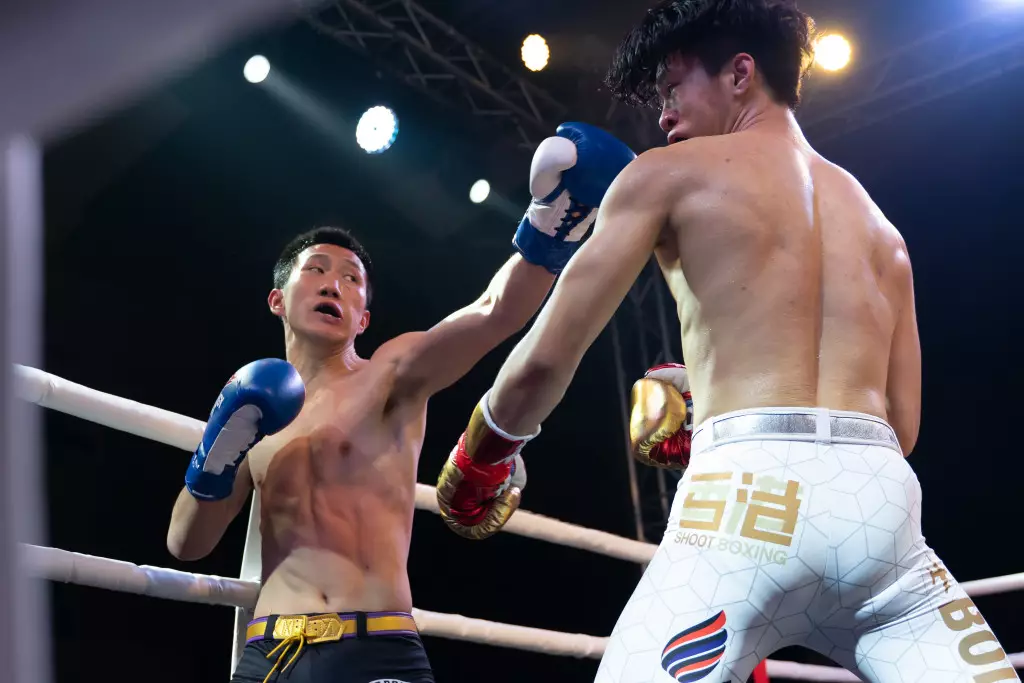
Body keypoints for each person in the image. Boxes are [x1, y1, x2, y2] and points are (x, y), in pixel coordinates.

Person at [434, 1, 1020, 682]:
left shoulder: (666, 174)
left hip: (743, 503)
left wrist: (481, 456)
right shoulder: (884, 231)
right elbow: (903, 425)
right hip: (882, 515)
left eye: (672, 88)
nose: (663, 115)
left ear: (741, 73)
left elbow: (545, 359)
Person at [165, 121, 636, 683]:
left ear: (363, 318)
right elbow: (187, 544)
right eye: (315, 270)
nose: (333, 284)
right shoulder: (253, 412)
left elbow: (494, 311)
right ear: (277, 300)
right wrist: (217, 453)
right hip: (268, 657)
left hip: (374, 647)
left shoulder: (390, 375)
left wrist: (554, 219)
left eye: (352, 279)